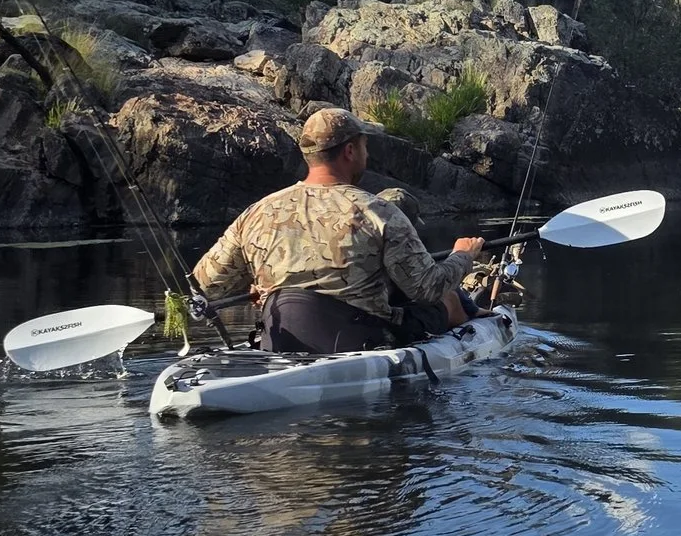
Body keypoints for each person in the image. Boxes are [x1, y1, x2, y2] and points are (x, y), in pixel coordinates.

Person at [193, 107, 486, 354]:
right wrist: (462, 256)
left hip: (279, 341)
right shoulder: (379, 212)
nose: (366, 155)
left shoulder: (255, 213)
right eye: (364, 147)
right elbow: (426, 288)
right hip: (361, 342)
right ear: (349, 151)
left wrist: (265, 286)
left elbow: (204, 286)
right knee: (444, 301)